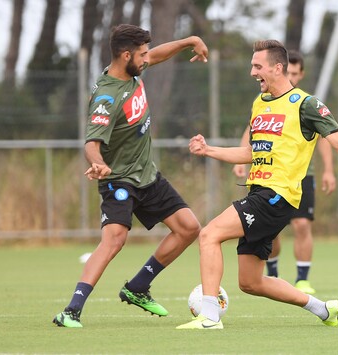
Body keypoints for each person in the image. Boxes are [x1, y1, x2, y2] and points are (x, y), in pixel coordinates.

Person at [177, 40, 338, 330]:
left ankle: (210, 317)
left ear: (277, 68)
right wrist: (209, 150)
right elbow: (252, 153)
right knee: (250, 282)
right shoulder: (259, 104)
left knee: (209, 234)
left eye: (257, 66)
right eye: (252, 66)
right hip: (258, 192)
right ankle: (324, 310)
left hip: (277, 196)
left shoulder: (306, 104)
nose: (252, 72)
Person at [52, 24, 209, 328]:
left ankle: (137, 287)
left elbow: (158, 55)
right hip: (119, 179)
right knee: (114, 240)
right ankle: (71, 310)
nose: (147, 58)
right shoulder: (107, 98)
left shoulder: (132, 71)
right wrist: (97, 163)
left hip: (147, 176)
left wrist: (190, 40)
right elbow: (91, 144)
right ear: (126, 56)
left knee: (189, 228)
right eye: (141, 54)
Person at [232, 50, 336, 294]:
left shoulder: (304, 103)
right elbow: (254, 131)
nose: (293, 76)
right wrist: (241, 156)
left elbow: (326, 138)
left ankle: (302, 278)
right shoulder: (265, 101)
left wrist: (328, 170)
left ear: (300, 74)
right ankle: (274, 272)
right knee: (272, 230)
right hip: (270, 179)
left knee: (301, 225)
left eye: (296, 73)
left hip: (301, 176)